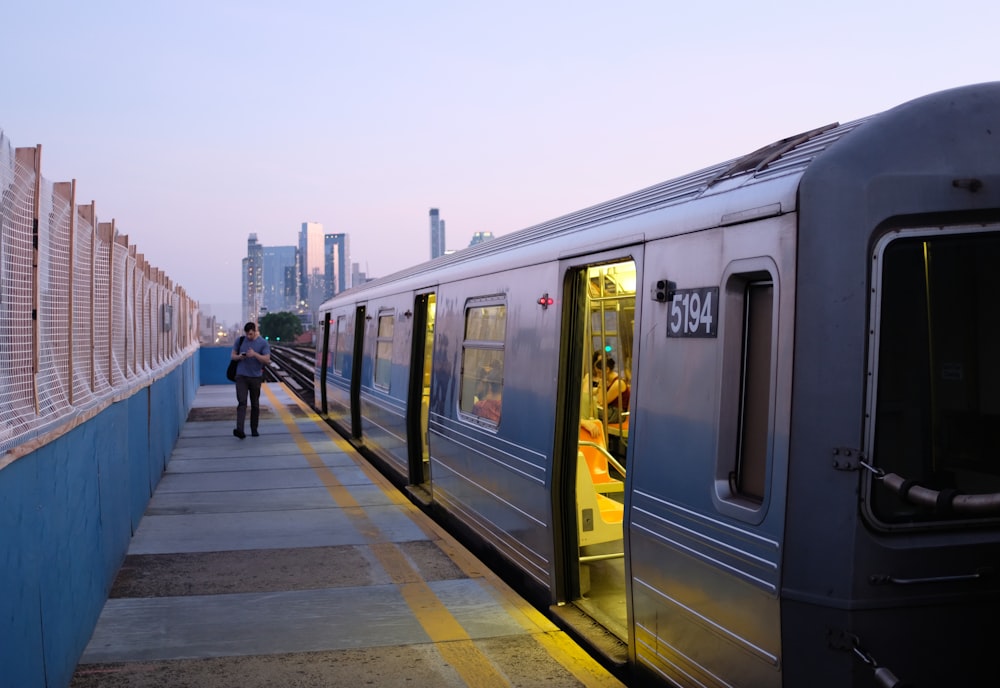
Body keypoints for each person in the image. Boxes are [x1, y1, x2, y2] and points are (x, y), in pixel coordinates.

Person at [231, 322, 271, 438]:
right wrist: (239, 357)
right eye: (247, 334)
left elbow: (267, 359)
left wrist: (254, 354)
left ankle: (254, 429)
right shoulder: (240, 340)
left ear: (255, 331)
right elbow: (232, 356)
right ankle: (240, 430)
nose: (249, 337)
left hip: (255, 377)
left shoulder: (263, 343)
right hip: (241, 376)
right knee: (242, 402)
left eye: (251, 334)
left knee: (255, 404)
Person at [594, 353, 630, 424]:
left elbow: (601, 402)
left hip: (617, 413)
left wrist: (601, 383)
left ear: (607, 370)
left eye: (599, 373)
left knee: (592, 411)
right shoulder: (609, 381)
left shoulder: (618, 383)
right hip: (609, 410)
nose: (598, 376)